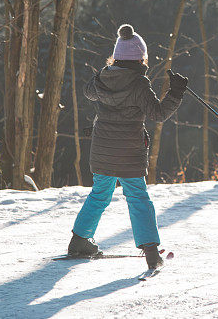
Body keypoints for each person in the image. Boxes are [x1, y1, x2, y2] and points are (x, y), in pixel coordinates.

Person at [68, 24, 187, 270]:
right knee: (138, 197)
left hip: (102, 151)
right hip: (129, 153)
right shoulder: (139, 84)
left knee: (99, 194)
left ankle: (79, 241)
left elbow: (89, 91)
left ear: (117, 56)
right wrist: (175, 92)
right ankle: (152, 254)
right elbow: (158, 113)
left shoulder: (101, 78)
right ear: (141, 59)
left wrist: (107, 69)